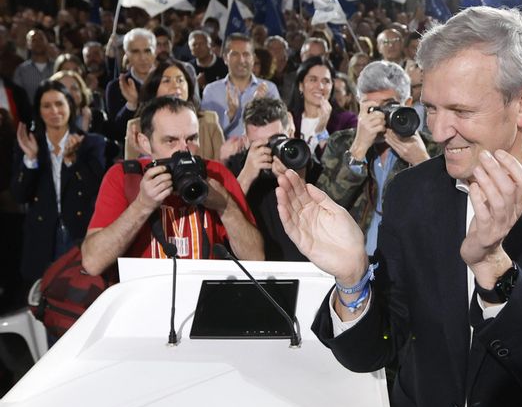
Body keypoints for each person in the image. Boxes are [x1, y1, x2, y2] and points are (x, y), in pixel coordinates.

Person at [276, 6, 522, 407]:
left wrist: (493, 268)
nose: (440, 130)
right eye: (431, 108)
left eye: (461, 111)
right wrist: (353, 280)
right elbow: (375, 352)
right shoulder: (411, 193)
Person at [80, 96, 263, 275]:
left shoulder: (216, 174)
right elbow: (92, 263)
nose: (183, 149)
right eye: (170, 141)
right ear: (145, 143)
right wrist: (142, 206)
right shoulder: (124, 176)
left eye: (191, 138)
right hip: (143, 299)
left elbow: (256, 259)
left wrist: (225, 206)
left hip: (202, 298)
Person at [317, 60, 439, 256]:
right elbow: (323, 209)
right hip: (351, 263)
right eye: (372, 109)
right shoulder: (341, 143)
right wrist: (357, 151)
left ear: (407, 104)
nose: (381, 117)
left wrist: (422, 163)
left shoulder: (432, 147)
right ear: (359, 106)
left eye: (389, 106)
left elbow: (446, 214)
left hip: (408, 263)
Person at [12, 80, 106, 287]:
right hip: (43, 236)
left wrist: (71, 162)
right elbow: (19, 195)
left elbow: (98, 191)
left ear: (69, 107)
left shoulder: (91, 143)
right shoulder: (28, 143)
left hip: (80, 234)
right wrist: (30, 160)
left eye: (59, 104)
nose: (54, 110)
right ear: (39, 110)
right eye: (47, 105)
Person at [225, 97, 306, 262]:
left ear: (290, 133)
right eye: (259, 145)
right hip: (254, 272)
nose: (270, 150)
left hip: (301, 267)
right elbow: (221, 218)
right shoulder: (233, 170)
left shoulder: (302, 159)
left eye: (276, 140)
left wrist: (293, 178)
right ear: (246, 141)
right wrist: (246, 176)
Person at [122, 59, 225, 161]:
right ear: (154, 88)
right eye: (166, 81)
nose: (176, 85)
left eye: (180, 80)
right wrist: (148, 155)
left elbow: (222, 167)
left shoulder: (209, 120)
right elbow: (131, 173)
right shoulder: (136, 127)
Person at [201, 33, 280, 139]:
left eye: (246, 54)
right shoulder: (211, 91)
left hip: (259, 152)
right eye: (235, 54)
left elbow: (278, 129)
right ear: (225, 58)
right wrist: (230, 115)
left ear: (253, 58)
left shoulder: (269, 89)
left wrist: (257, 108)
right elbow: (206, 134)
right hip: (222, 154)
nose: (241, 60)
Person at [288, 56, 357, 158]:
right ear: (301, 85)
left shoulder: (347, 121)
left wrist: (322, 132)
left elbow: (342, 166)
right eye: (313, 80)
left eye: (325, 81)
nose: (320, 87)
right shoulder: (289, 119)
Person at [105, 28, 157, 140]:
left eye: (147, 51)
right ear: (126, 54)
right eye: (135, 51)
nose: (142, 57)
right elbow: (116, 133)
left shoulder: (168, 80)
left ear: (155, 52)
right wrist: (131, 105)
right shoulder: (116, 87)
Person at [13, 28, 55, 105]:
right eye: (34, 40)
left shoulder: (56, 67)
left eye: (41, 39)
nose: (38, 43)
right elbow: (17, 97)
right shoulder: (21, 71)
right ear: (28, 45)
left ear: (47, 42)